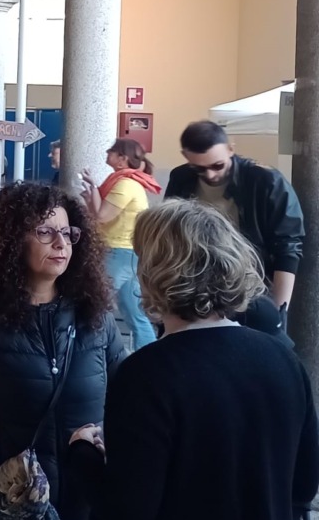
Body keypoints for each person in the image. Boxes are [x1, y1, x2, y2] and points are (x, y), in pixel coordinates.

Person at [67, 199, 319, 520]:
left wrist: (82, 452)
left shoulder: (146, 374)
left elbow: (126, 508)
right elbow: (304, 486)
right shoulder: (283, 359)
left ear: (153, 271)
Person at [0, 182, 124, 520]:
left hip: (86, 498)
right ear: (11, 240)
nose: (61, 243)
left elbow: (127, 392)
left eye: (67, 233)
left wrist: (107, 443)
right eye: (45, 232)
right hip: (13, 504)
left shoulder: (93, 314)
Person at [164, 120, 303, 333]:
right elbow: (171, 232)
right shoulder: (181, 177)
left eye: (217, 165)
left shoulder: (266, 180)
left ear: (231, 149)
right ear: (186, 156)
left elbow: (288, 248)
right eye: (199, 168)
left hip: (253, 291)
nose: (210, 175)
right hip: (196, 291)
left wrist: (278, 312)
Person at [79, 138, 160, 349]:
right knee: (134, 313)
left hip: (119, 252)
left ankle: (88, 349)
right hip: (128, 252)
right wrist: (92, 192)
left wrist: (93, 189)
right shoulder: (124, 182)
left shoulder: (126, 184)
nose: (107, 154)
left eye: (111, 151)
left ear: (122, 159)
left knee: (94, 301)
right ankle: (147, 355)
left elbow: (102, 216)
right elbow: (97, 216)